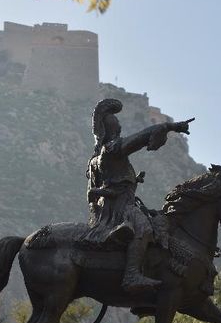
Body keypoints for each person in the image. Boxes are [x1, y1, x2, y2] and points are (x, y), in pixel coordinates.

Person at [82, 98, 192, 293]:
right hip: (120, 207)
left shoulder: (96, 157)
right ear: (112, 129)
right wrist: (169, 126)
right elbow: (141, 138)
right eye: (117, 124)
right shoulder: (112, 149)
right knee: (144, 228)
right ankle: (131, 274)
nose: (120, 126)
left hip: (118, 203)